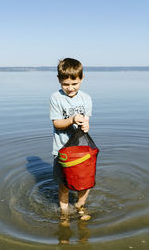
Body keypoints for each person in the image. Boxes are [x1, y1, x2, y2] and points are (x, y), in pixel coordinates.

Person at [49, 58, 92, 223]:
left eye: (74, 83)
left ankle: (80, 206)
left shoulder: (86, 98)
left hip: (81, 150)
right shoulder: (56, 98)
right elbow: (57, 124)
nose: (70, 88)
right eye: (65, 84)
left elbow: (86, 121)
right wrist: (73, 119)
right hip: (62, 150)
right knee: (64, 184)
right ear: (59, 80)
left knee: (85, 181)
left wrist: (86, 125)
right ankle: (64, 212)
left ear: (81, 78)